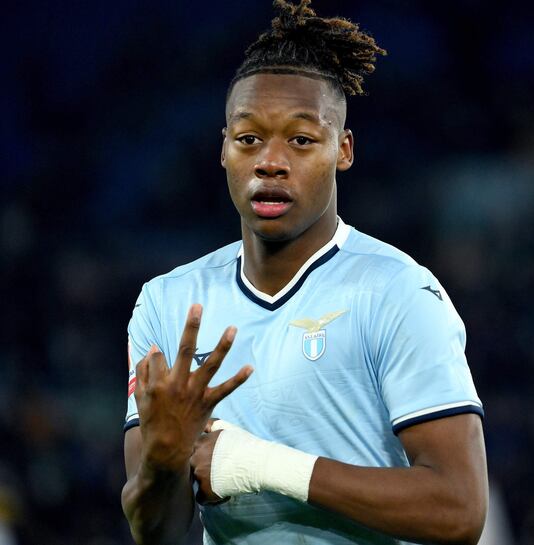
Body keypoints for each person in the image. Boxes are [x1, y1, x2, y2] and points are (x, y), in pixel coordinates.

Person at [120, 1, 487, 544]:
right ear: (223, 149)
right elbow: (158, 532)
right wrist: (162, 463)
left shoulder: (397, 290)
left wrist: (264, 464)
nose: (270, 161)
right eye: (248, 139)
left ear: (343, 150)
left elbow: (459, 510)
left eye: (301, 140)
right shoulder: (167, 303)